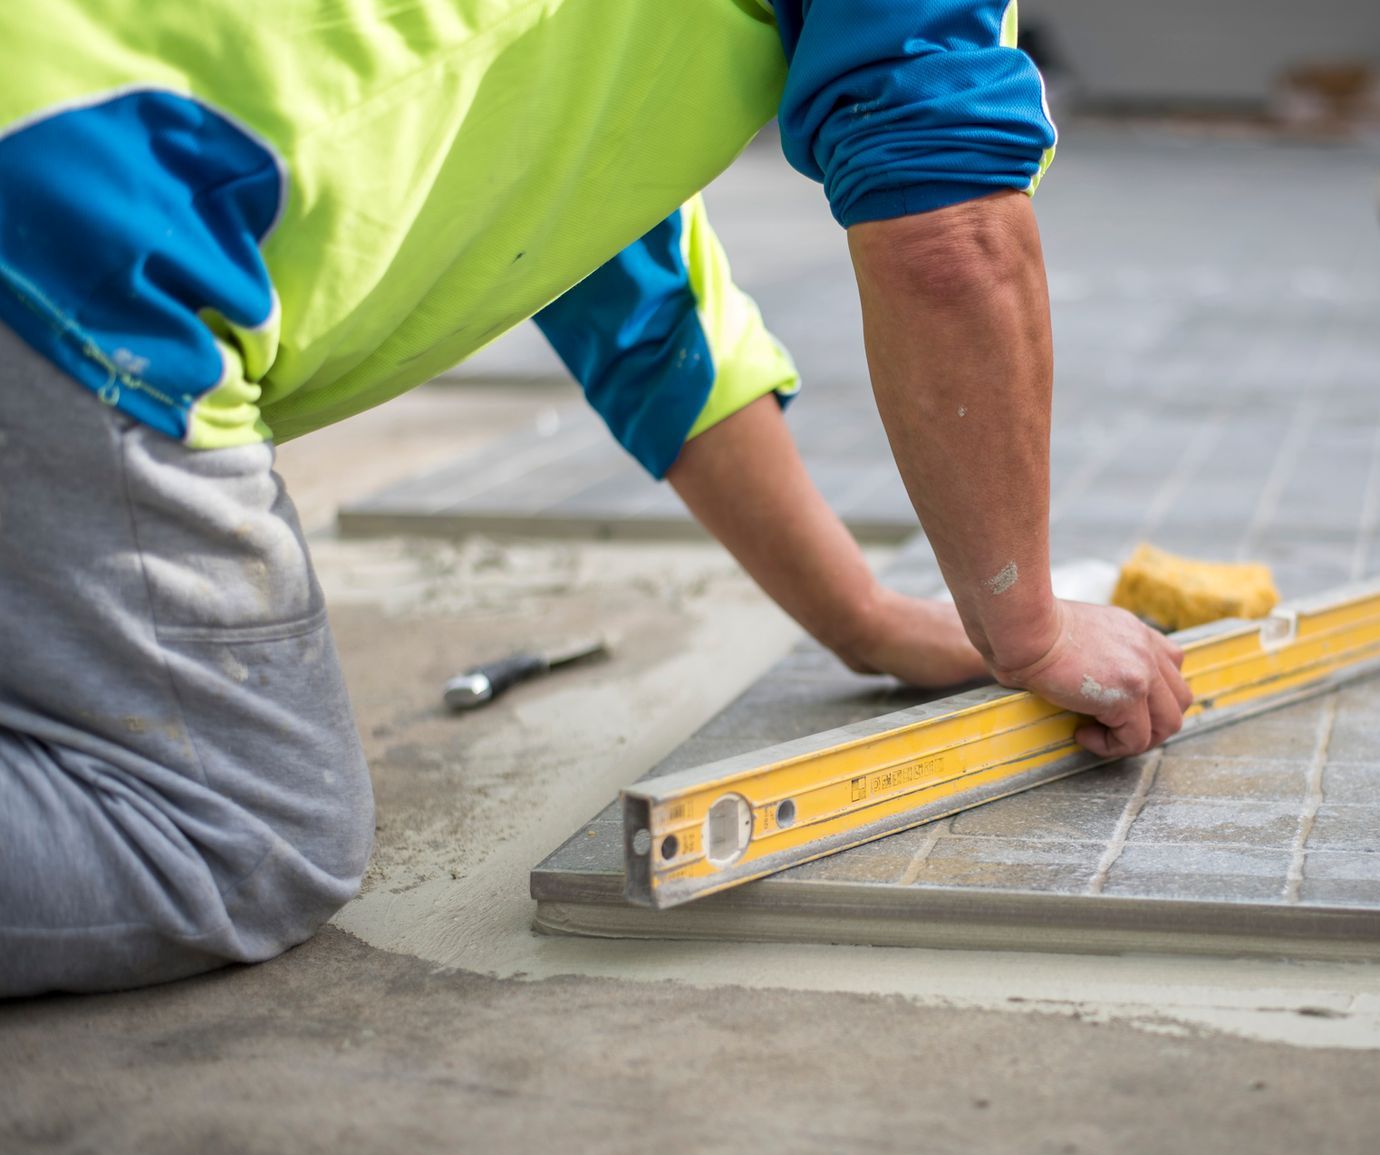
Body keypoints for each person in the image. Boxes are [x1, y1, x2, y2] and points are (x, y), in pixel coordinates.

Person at [0, 0, 1192, 997]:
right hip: (76, 221)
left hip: (59, 142)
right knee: (228, 837)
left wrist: (863, 621)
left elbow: (634, 291)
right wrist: (1027, 623)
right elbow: (949, 232)